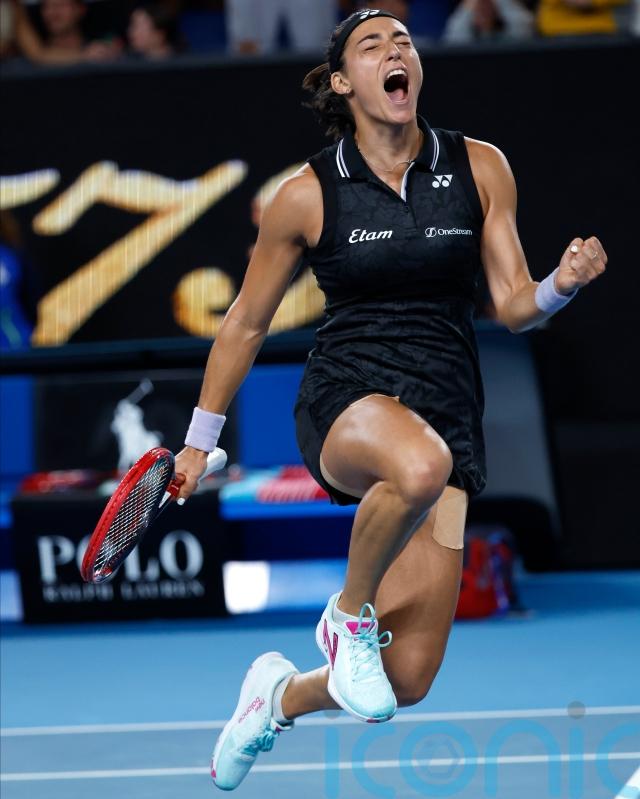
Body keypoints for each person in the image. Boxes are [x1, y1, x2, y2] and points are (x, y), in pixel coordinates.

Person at [174, 8, 608, 791]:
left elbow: (514, 304)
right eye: (372, 45)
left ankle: (275, 698)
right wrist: (200, 440)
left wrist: (560, 285)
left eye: (403, 41)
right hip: (347, 398)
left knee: (406, 675)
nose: (394, 50)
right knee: (416, 465)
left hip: (447, 411)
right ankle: (347, 615)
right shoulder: (307, 193)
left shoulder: (479, 166)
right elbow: (244, 323)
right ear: (345, 83)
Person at [443, 0, 535, 43]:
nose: (484, 13)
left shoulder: (510, 33)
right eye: (480, 11)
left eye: (487, 9)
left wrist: (502, 2)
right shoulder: (465, 34)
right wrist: (468, 8)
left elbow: (524, 26)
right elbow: (452, 37)